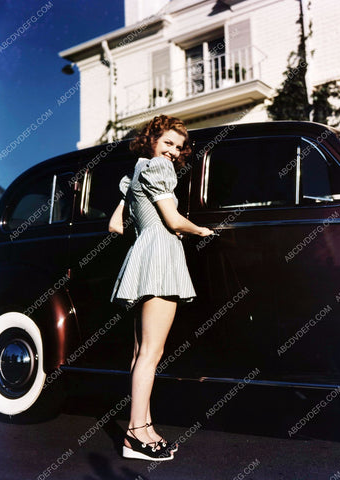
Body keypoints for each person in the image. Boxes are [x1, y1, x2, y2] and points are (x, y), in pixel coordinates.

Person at [108, 115, 214, 461]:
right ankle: (135, 435)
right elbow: (172, 219)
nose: (172, 151)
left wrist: (145, 233)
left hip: (142, 259)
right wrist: (200, 231)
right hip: (162, 259)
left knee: (141, 354)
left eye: (178, 147)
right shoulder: (159, 168)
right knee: (151, 353)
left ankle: (145, 426)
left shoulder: (136, 171)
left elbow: (114, 225)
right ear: (152, 140)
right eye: (167, 142)